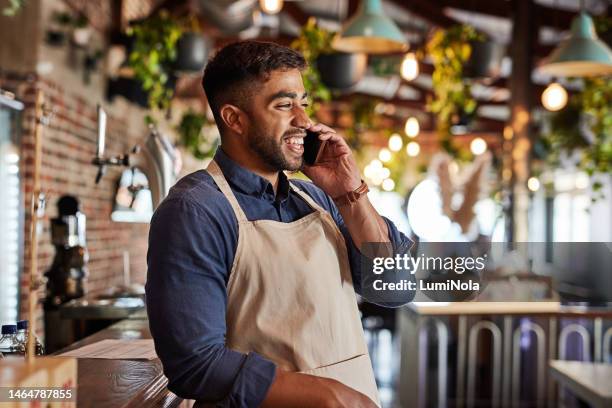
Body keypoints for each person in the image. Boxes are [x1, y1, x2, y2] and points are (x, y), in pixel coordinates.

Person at [146, 40, 412, 408]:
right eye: (284, 105)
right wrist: (326, 394)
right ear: (234, 118)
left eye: (303, 103)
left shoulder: (320, 199)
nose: (304, 121)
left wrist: (351, 193)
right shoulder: (195, 210)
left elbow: (395, 289)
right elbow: (194, 363)